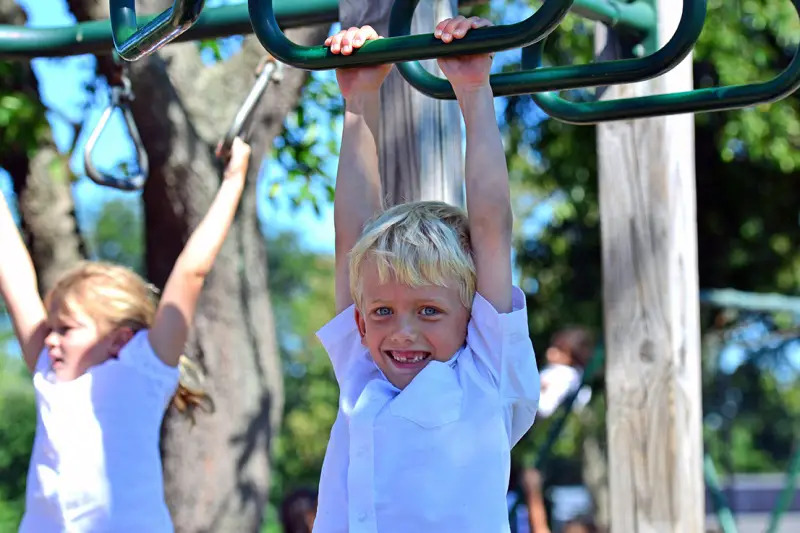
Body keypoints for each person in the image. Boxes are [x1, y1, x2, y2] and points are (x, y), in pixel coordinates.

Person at [313, 17, 540, 532]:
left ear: (471, 314)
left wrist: (473, 90)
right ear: (363, 324)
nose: (403, 330)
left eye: (430, 311)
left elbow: (490, 225)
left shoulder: (485, 372)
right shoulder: (362, 371)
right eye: (382, 311)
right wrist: (358, 100)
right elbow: (351, 236)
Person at [0, 138, 252, 532]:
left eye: (67, 330)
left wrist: (234, 181)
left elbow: (191, 271)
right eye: (51, 328)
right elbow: (13, 273)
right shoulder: (51, 373)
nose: (50, 339)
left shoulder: (142, 370)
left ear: (118, 339)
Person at [537, 327, 595, 418]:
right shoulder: (552, 369)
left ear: (572, 355)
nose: (550, 352)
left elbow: (547, 406)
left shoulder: (568, 376)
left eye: (560, 350)